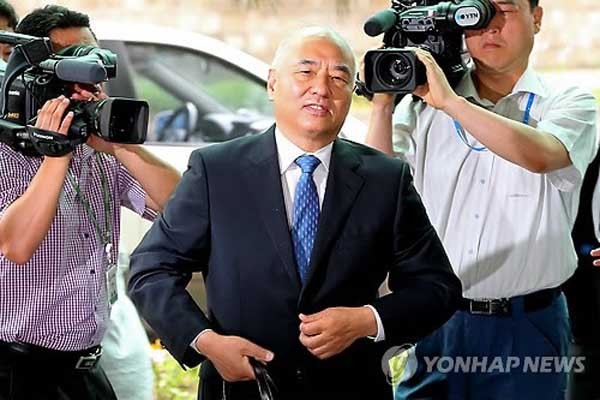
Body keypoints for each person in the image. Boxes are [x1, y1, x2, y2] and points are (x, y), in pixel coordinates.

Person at [128, 26, 462, 400]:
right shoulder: (216, 171)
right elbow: (151, 269)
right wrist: (206, 341)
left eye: (339, 78)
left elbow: (437, 287)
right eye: (305, 72)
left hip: (351, 388)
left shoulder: (385, 179)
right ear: (273, 83)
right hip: (243, 387)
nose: (321, 88)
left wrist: (367, 320)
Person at [364, 0, 597, 398]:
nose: (489, 26)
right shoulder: (421, 107)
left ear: (536, 18)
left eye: (502, 10)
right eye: (475, 14)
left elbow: (543, 155)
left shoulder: (569, 101)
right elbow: (378, 192)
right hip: (434, 319)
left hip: (526, 325)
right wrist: (383, 105)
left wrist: (452, 103)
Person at [0, 5, 180, 399]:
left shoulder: (99, 153)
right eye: (71, 69)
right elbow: (15, 245)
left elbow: (181, 207)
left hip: (86, 369)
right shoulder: (6, 152)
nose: (85, 85)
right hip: (14, 371)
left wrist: (121, 146)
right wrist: (56, 153)